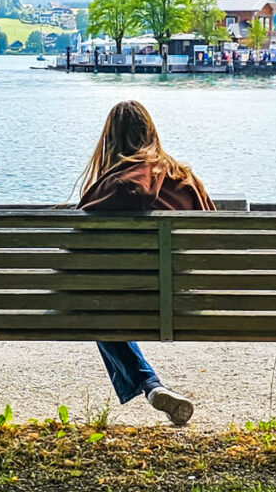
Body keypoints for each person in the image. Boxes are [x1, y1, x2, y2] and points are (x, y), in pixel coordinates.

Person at [76, 100, 214, 425]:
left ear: (109, 139)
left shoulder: (115, 186)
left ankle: (148, 384)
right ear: (151, 132)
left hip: (130, 303)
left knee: (90, 302)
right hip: (188, 301)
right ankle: (151, 387)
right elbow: (210, 240)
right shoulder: (186, 179)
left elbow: (79, 249)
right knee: (98, 300)